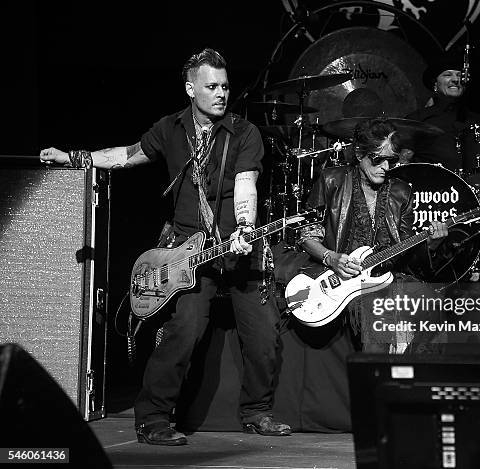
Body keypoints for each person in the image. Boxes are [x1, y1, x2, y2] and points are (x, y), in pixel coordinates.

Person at [40, 48, 291, 445]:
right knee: (184, 331)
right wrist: (76, 157)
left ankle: (256, 412)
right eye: (212, 86)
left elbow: (246, 182)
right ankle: (153, 418)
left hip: (238, 249)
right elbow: (127, 156)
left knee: (264, 337)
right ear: (191, 88)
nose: (221, 93)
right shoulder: (170, 129)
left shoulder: (244, 133)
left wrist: (245, 226)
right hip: (191, 255)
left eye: (225, 86)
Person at [297, 117, 448, 352]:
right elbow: (307, 234)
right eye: (378, 159)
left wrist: (432, 244)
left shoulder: (401, 192)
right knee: (377, 310)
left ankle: (416, 379)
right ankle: (377, 381)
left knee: (435, 302)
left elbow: (408, 252)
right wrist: (331, 257)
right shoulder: (331, 180)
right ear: (359, 154)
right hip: (343, 278)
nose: (385, 168)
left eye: (391, 161)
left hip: (389, 276)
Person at [406, 53, 480, 171]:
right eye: (447, 75)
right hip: (428, 184)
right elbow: (403, 162)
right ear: (435, 84)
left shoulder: (479, 121)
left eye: (459, 75)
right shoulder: (417, 119)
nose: (455, 79)